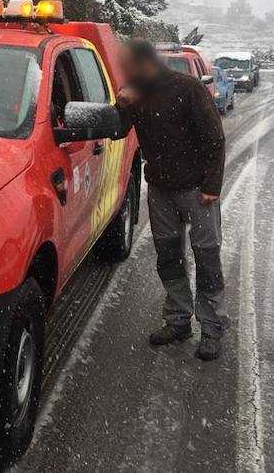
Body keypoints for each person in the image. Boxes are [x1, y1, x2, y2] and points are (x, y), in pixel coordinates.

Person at [115, 40, 227, 361]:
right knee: (168, 257)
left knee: (206, 258)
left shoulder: (187, 88)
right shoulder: (136, 92)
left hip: (197, 189)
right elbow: (118, 131)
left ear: (145, 63)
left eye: (129, 66)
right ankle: (178, 319)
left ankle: (212, 328)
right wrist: (122, 105)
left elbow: (214, 137)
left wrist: (212, 185)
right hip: (161, 189)